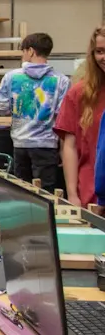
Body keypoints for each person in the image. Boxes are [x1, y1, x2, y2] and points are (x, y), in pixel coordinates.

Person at [0, 31, 69, 193]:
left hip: (20, 144)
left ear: (31, 51)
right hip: (47, 146)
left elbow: (1, 108)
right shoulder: (61, 81)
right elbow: (63, 119)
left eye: (23, 51)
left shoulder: (11, 77)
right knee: (46, 195)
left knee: (21, 193)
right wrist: (63, 150)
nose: (23, 55)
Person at [58, 24, 105, 206]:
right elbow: (69, 146)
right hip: (90, 195)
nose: (103, 57)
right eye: (99, 51)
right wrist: (72, 194)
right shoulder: (79, 94)